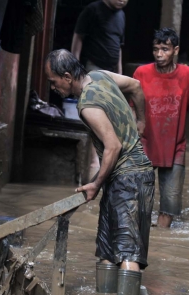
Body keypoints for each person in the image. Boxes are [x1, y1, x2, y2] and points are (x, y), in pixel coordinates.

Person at [44, 49, 154, 295]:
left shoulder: (86, 106)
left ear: (68, 77)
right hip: (122, 176)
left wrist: (95, 183)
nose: (53, 87)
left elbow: (113, 146)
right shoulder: (100, 76)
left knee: (128, 250)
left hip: (131, 178)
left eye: (53, 81)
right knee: (106, 247)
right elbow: (136, 86)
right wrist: (141, 122)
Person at [132, 28, 189, 229]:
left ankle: (161, 244)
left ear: (175, 50)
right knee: (138, 201)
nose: (159, 54)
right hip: (145, 144)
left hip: (175, 146)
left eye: (165, 49)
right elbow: (130, 108)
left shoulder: (186, 74)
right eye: (156, 49)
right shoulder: (141, 73)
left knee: (169, 205)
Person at [71, 0, 129, 180]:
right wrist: (74, 72)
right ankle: (92, 165)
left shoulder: (121, 16)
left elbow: (118, 47)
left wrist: (120, 76)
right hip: (93, 69)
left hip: (111, 72)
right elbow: (78, 37)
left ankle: (99, 167)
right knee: (95, 115)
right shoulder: (92, 10)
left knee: (109, 117)